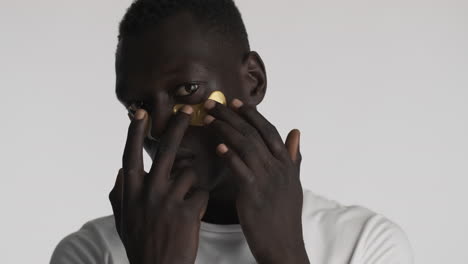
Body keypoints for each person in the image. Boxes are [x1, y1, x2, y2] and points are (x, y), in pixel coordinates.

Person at [50, 0, 414, 263]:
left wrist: (283, 252)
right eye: (137, 107)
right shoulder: (91, 252)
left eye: (187, 91)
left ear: (252, 81)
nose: (158, 129)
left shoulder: (364, 244)